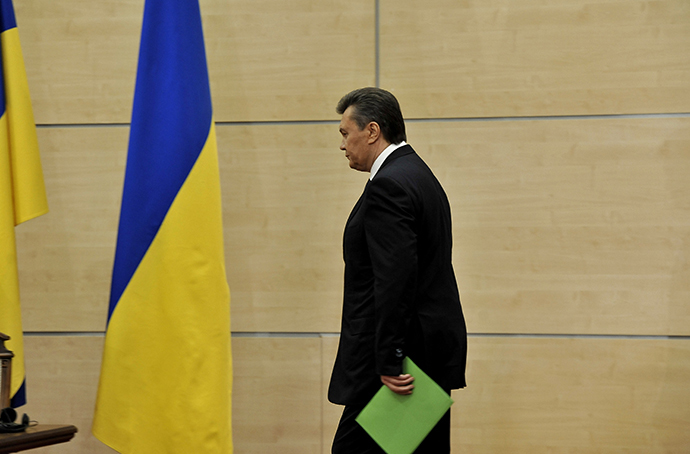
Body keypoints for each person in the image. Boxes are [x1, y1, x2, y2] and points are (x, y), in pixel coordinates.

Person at [328, 87, 468, 454]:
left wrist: (389, 361)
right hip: (426, 355)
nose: (342, 144)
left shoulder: (389, 185)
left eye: (346, 133)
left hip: (399, 369)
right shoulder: (419, 175)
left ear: (372, 131)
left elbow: (395, 279)